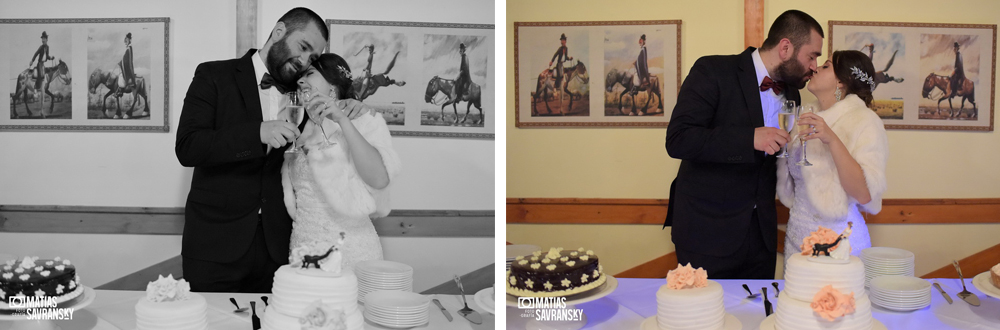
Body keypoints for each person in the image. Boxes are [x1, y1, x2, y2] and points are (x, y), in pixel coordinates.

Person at [175, 7, 370, 293]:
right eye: (303, 47)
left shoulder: (305, 90)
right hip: (214, 244)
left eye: (312, 58)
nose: (304, 62)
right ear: (279, 32)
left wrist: (356, 108)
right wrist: (257, 132)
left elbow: (329, 136)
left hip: (277, 249)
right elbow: (188, 147)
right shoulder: (213, 74)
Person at [663, 10, 824, 279]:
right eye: (812, 55)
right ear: (785, 47)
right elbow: (678, 139)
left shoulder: (792, 93)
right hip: (706, 233)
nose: (815, 65)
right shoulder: (712, 70)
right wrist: (749, 137)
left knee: (758, 317)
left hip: (761, 238)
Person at [284, 53, 401, 270]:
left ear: (332, 84)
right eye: (299, 76)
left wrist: (342, 120)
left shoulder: (365, 119)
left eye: (309, 73)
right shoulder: (297, 128)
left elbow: (379, 179)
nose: (300, 81)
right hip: (304, 247)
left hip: (351, 247)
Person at [779, 50, 888, 264]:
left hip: (840, 243)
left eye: (826, 66)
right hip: (796, 239)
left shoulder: (865, 121)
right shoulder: (803, 115)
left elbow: (865, 194)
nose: (815, 68)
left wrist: (832, 139)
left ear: (841, 82)